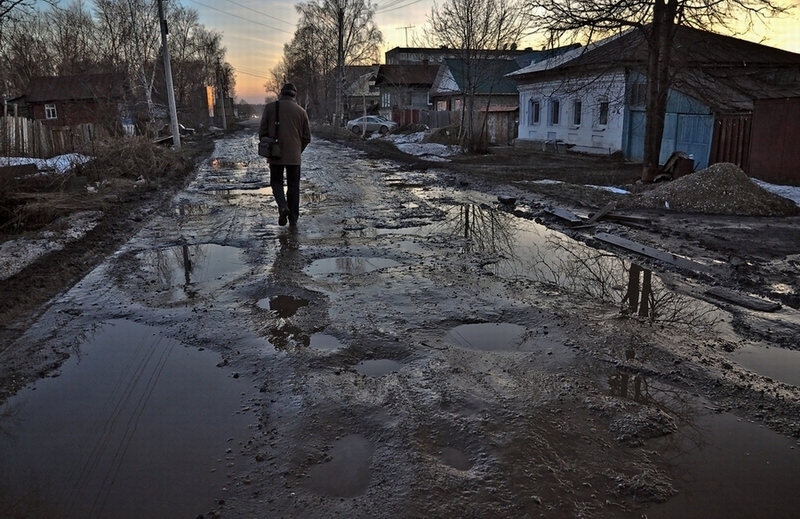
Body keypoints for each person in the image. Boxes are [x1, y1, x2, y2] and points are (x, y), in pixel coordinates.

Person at [259, 83, 311, 226]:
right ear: (294, 94)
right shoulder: (301, 112)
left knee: (276, 182)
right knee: (293, 186)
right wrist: (297, 150)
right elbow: (307, 137)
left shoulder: (270, 108)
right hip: (294, 157)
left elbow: (262, 133)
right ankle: (293, 219)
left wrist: (269, 145)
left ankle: (282, 206)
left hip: (275, 154)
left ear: (281, 93)